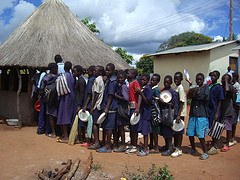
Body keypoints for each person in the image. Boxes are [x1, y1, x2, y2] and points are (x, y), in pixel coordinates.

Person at [186, 73, 209, 160]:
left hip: (201, 114)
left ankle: (205, 152)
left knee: (200, 134)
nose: (199, 81)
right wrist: (191, 86)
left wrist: (195, 93)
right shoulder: (194, 87)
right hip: (193, 114)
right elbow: (190, 96)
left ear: (203, 80)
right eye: (197, 79)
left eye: (200, 80)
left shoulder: (205, 87)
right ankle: (193, 148)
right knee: (190, 132)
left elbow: (204, 97)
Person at [96, 63, 118, 153]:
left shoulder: (112, 81)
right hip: (107, 106)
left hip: (111, 107)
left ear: (113, 71)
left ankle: (108, 146)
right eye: (106, 70)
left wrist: (107, 107)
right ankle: (107, 143)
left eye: (109, 70)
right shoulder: (109, 79)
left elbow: (110, 95)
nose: (107, 71)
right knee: (106, 126)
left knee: (109, 127)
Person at [57, 61, 75, 143]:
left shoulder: (62, 77)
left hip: (64, 99)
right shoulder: (72, 76)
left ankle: (66, 136)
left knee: (64, 117)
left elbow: (59, 90)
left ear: (64, 68)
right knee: (70, 117)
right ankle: (68, 134)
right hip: (72, 98)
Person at [135, 74, 153, 156]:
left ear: (148, 81)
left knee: (145, 132)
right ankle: (145, 147)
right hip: (142, 112)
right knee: (143, 131)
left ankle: (145, 149)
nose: (142, 81)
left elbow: (147, 101)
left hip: (146, 113)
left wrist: (141, 93)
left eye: (144, 80)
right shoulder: (142, 88)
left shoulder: (148, 89)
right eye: (141, 80)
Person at [87, 66, 105, 150]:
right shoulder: (100, 79)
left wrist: (92, 106)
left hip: (97, 105)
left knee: (95, 124)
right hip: (99, 104)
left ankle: (97, 142)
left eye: (96, 70)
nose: (94, 71)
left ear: (100, 72)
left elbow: (96, 94)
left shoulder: (98, 80)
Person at [125, 69, 142, 154]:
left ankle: (134, 146)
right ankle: (132, 144)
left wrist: (137, 108)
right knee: (131, 128)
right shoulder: (130, 83)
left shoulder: (135, 83)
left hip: (134, 107)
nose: (127, 74)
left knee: (134, 128)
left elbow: (139, 95)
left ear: (133, 75)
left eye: (129, 73)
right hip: (131, 107)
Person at [207, 70, 224, 155]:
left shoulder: (218, 87)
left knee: (215, 127)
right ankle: (212, 143)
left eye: (215, 76)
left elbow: (220, 100)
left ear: (217, 77)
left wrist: (217, 112)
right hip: (208, 109)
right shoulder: (209, 86)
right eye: (212, 76)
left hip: (214, 109)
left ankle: (215, 145)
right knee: (210, 126)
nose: (213, 77)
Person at [159, 75, 175, 156]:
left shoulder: (171, 92)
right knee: (164, 130)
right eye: (164, 82)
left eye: (167, 82)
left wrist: (165, 103)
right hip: (163, 112)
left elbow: (173, 104)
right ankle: (166, 146)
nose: (166, 84)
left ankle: (170, 148)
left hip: (168, 113)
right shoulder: (164, 90)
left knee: (168, 131)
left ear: (171, 83)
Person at [40, 63, 58, 137]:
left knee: (50, 116)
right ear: (53, 69)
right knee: (55, 116)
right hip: (56, 99)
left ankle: (51, 132)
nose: (57, 70)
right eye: (56, 68)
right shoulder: (57, 77)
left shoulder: (45, 77)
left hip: (48, 99)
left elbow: (42, 88)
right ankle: (56, 132)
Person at [171, 72, 187, 158]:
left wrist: (178, 115)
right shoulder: (176, 87)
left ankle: (179, 148)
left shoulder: (181, 88)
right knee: (175, 131)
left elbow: (182, 102)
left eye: (178, 79)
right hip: (175, 112)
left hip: (179, 113)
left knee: (179, 131)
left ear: (181, 79)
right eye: (175, 78)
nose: (176, 80)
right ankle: (176, 145)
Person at [113, 71, 129, 152]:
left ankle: (123, 145)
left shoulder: (123, 87)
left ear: (125, 78)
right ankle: (118, 143)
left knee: (121, 127)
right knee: (119, 127)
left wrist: (116, 96)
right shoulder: (120, 86)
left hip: (122, 109)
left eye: (121, 78)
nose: (119, 79)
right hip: (120, 108)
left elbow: (126, 98)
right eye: (118, 78)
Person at [81, 66, 96, 147]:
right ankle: (92, 139)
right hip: (93, 103)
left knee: (90, 123)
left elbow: (89, 94)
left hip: (90, 104)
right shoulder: (95, 79)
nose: (87, 72)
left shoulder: (90, 80)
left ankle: (89, 140)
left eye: (88, 71)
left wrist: (85, 105)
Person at [220, 74, 235, 152]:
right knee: (219, 126)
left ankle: (228, 144)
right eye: (222, 79)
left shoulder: (230, 87)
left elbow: (227, 90)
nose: (222, 80)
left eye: (224, 79)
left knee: (228, 128)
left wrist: (226, 81)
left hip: (228, 110)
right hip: (222, 110)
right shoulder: (222, 87)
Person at [72, 65, 86, 143]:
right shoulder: (79, 79)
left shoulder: (81, 81)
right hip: (78, 101)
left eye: (75, 72)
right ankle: (81, 137)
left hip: (78, 102)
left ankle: (80, 138)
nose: (73, 73)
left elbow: (82, 93)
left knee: (79, 121)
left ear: (79, 72)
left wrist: (79, 105)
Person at [149, 73, 161, 154]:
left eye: (153, 80)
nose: (151, 81)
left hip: (154, 112)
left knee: (154, 130)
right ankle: (151, 144)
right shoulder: (152, 88)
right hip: (151, 111)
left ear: (157, 81)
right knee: (151, 130)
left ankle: (156, 147)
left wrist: (152, 97)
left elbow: (158, 100)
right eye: (151, 80)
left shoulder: (156, 90)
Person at [231, 72, 240, 146]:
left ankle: (232, 137)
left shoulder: (236, 85)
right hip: (234, 103)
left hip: (236, 104)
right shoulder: (234, 85)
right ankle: (231, 137)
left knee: (234, 121)